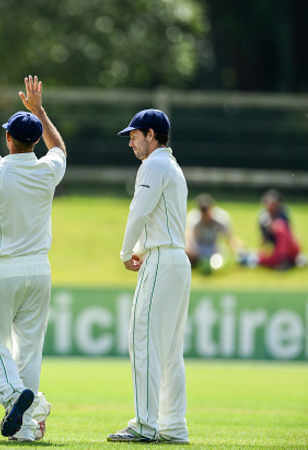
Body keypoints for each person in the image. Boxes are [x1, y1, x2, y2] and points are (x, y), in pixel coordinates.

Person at [0, 75, 64, 442]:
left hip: (3, 266)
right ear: (35, 140)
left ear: (9, 139)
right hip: (40, 268)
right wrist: (39, 109)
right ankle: (26, 429)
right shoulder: (49, 169)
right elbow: (61, 149)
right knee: (30, 349)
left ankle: (15, 397)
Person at [107, 109, 191, 444]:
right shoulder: (172, 165)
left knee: (142, 340)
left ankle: (144, 423)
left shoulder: (154, 164)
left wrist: (127, 253)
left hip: (162, 263)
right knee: (169, 349)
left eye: (134, 135)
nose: (131, 142)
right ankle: (173, 425)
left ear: (152, 134)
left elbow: (139, 211)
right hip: (174, 260)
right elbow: (159, 216)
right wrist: (142, 248)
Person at [185, 193, 243, 273]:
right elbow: (188, 236)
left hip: (214, 249)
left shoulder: (221, 218)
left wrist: (239, 249)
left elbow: (230, 238)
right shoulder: (194, 219)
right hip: (198, 249)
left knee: (218, 263)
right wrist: (189, 250)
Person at [255, 189, 302, 270]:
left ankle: (285, 260)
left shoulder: (282, 214)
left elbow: (290, 233)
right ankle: (284, 261)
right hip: (278, 248)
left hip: (288, 246)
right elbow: (264, 239)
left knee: (281, 227)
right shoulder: (263, 218)